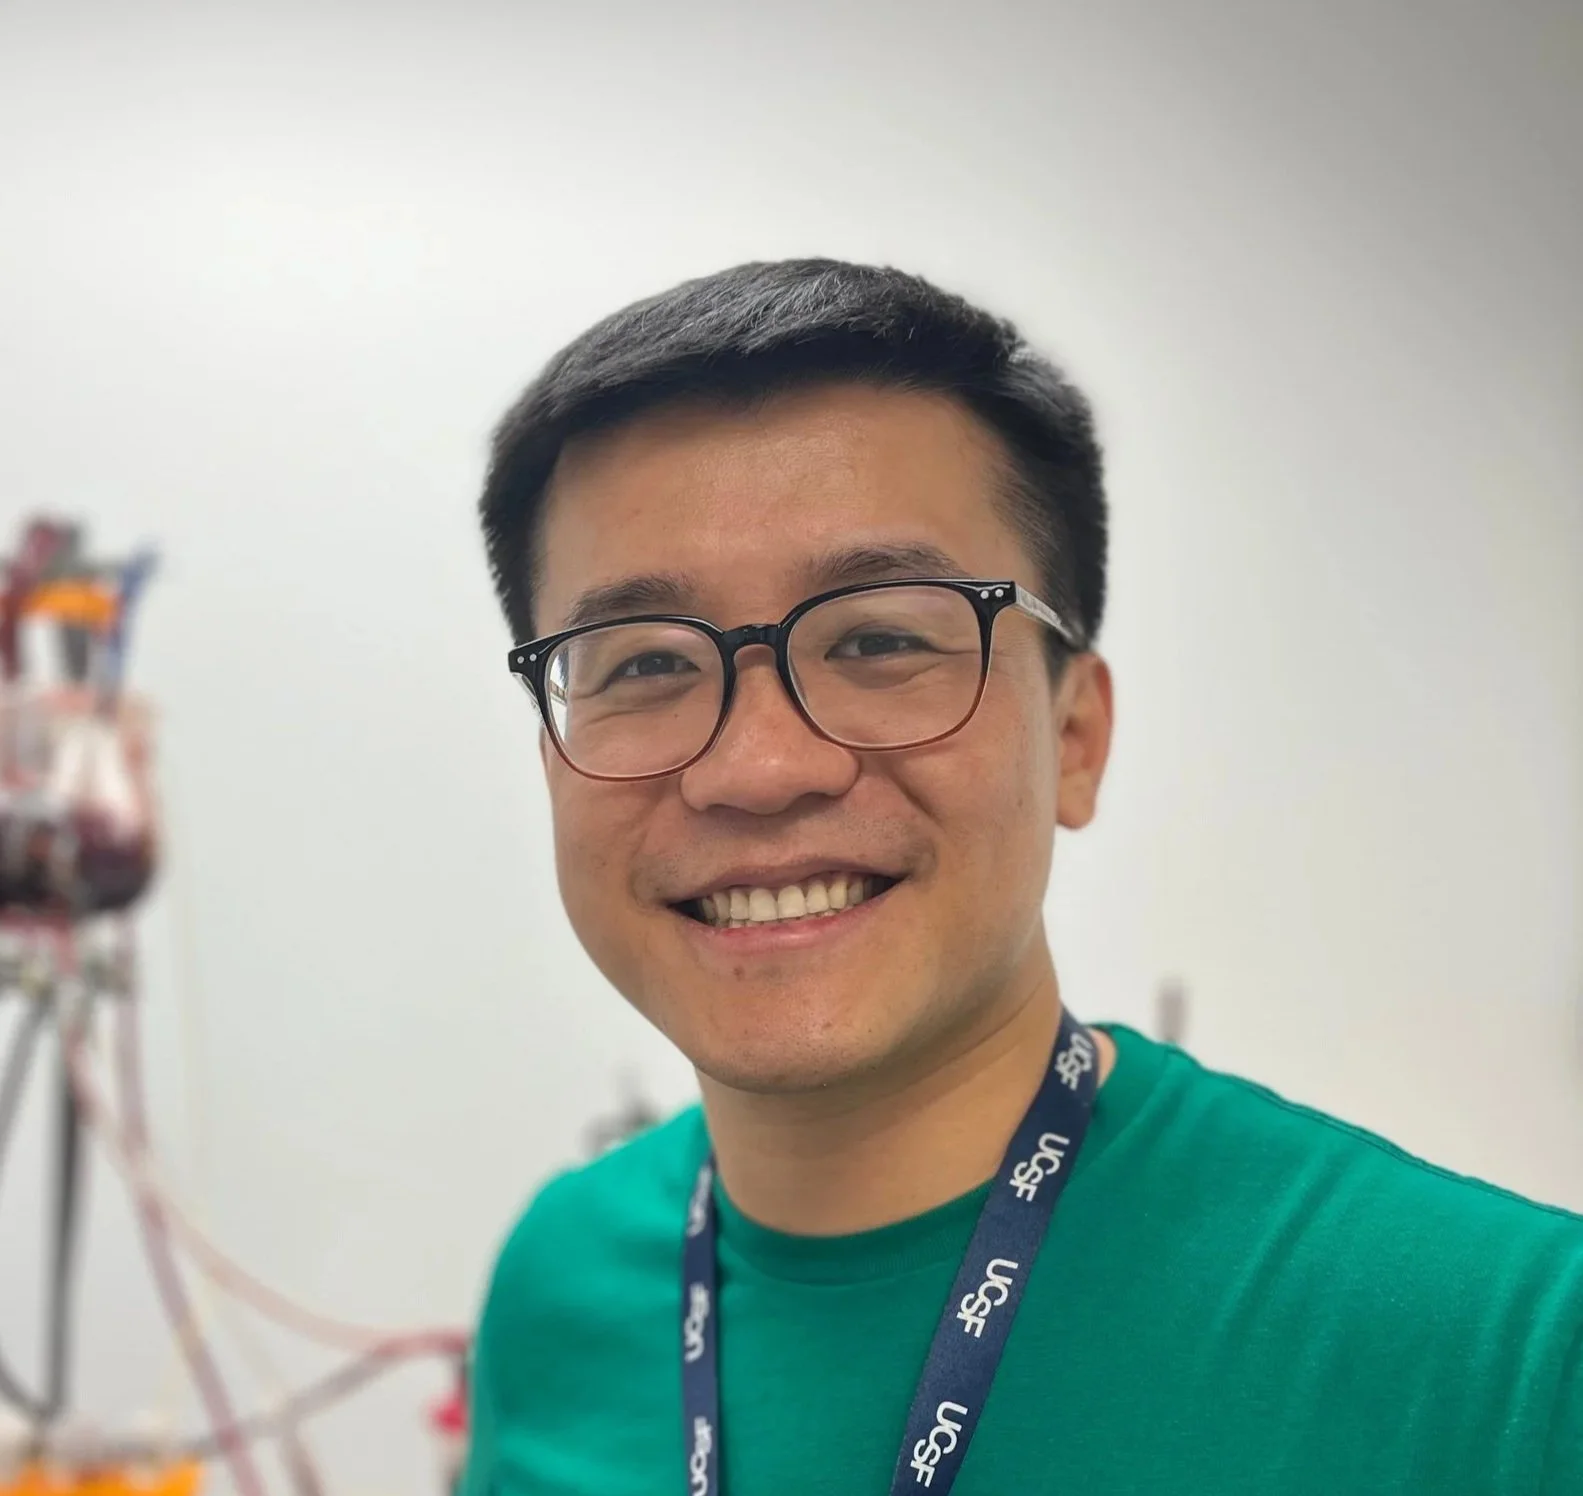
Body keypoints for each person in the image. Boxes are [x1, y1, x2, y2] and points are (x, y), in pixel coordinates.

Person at [462, 259, 1583, 1494]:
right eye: (642, 664)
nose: (759, 766)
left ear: (1073, 736)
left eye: (877, 637)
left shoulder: (1508, 1355)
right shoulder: (557, 1283)